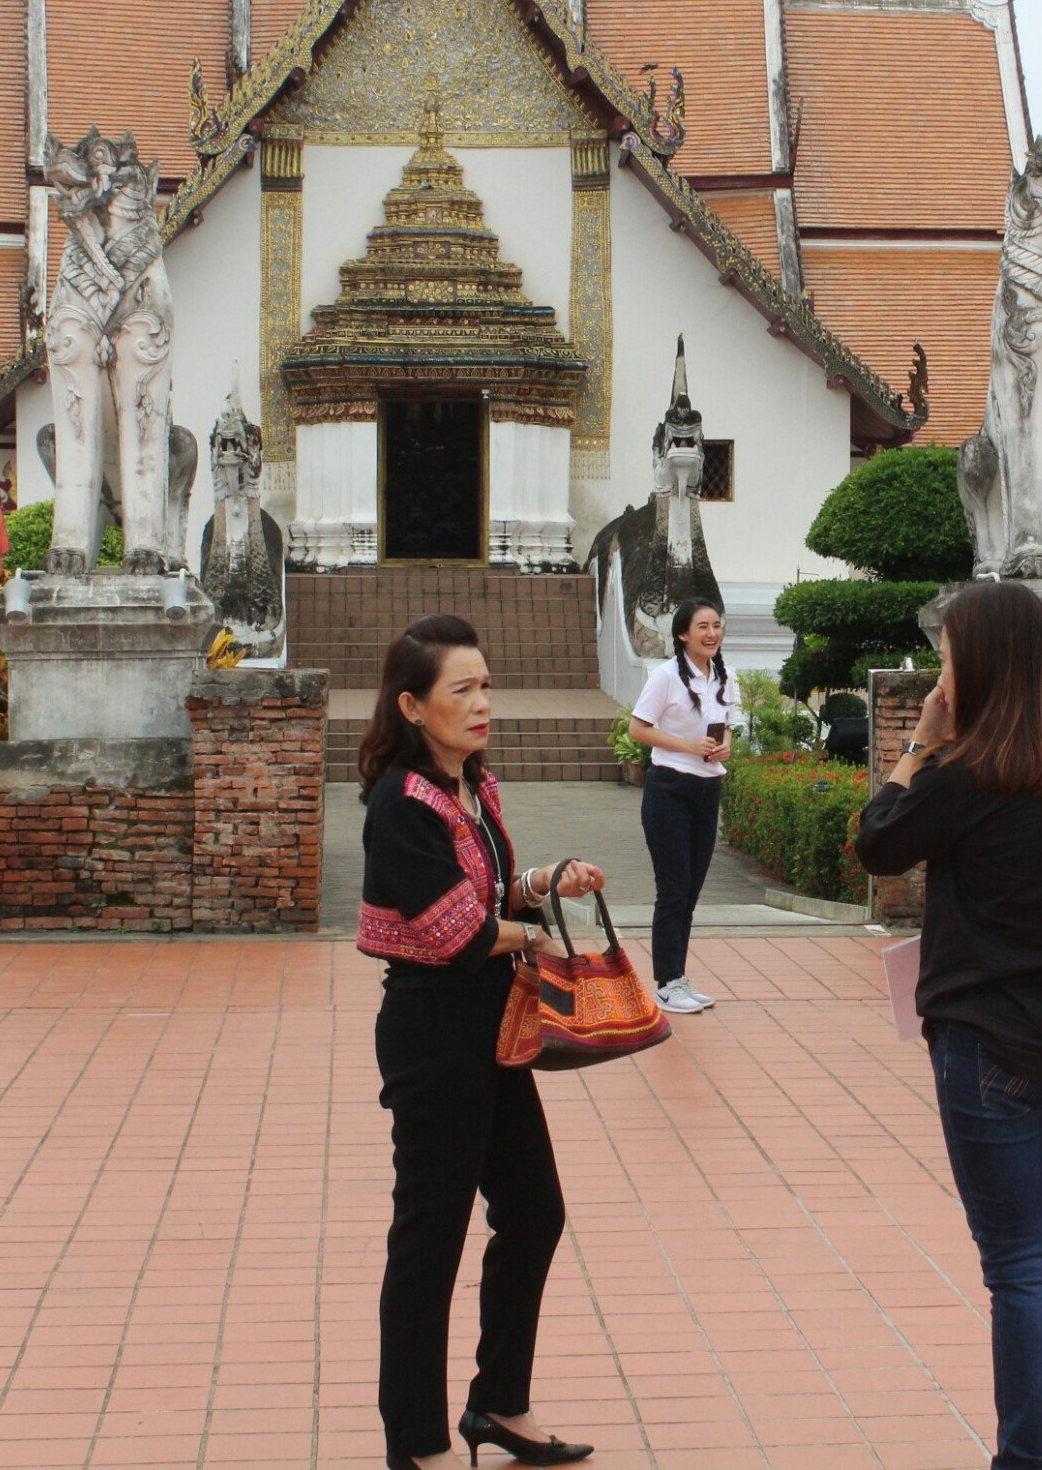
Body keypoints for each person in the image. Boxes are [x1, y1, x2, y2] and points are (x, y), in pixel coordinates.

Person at [853, 581, 1042, 1470]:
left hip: (989, 1040)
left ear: (975, 661)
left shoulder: (971, 766)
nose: (941, 674)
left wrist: (918, 743)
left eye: (946, 655)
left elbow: (877, 842)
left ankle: (1023, 1459)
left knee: (1018, 1262)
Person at [358, 614, 602, 1470]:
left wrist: (543, 883)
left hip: (492, 1027)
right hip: (432, 1034)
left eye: (486, 685)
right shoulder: (400, 801)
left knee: (535, 1211)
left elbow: (493, 892)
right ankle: (415, 1442)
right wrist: (534, 936)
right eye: (462, 690)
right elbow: (457, 931)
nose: (482, 702)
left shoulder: (475, 787)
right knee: (430, 1237)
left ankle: (499, 1404)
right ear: (413, 706)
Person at [628, 600, 734, 1015]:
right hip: (669, 790)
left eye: (717, 626)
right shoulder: (666, 676)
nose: (712, 633)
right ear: (682, 634)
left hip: (707, 791)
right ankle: (667, 983)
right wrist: (687, 746)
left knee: (689, 892)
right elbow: (638, 728)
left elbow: (724, 729)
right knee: (672, 890)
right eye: (702, 626)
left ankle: (678, 976)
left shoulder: (725, 675)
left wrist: (723, 745)